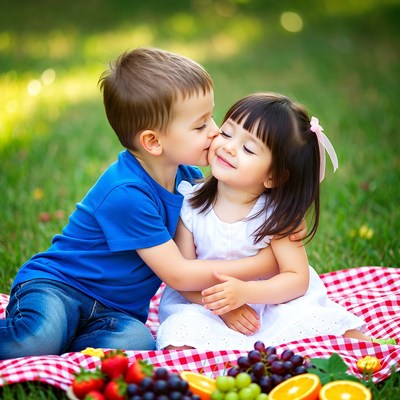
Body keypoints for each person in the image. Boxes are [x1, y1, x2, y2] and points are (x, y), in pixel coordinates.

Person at [1, 49, 309, 360]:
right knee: (36, 339)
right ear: (153, 142)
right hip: (60, 286)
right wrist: (264, 264)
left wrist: (284, 213)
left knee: (137, 344)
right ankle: (50, 333)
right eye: (201, 125)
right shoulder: (126, 193)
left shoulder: (187, 178)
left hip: (115, 310)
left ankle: (67, 337)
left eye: (211, 118)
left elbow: (243, 195)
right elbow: (179, 274)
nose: (215, 131)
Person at [157, 92, 397, 350]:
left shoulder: (276, 214)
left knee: (319, 322)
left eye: (248, 148)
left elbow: (296, 278)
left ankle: (375, 352)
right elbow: (184, 277)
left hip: (270, 302)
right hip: (207, 303)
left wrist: (247, 293)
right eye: (226, 133)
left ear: (273, 176)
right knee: (182, 330)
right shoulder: (191, 203)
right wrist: (224, 308)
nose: (228, 147)